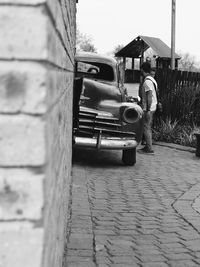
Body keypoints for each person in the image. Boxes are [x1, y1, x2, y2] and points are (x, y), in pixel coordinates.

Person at [138, 62, 157, 154]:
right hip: (153, 106)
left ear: (142, 69)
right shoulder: (152, 80)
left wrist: (148, 110)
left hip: (149, 108)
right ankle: (147, 146)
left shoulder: (147, 82)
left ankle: (149, 148)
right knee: (147, 126)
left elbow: (149, 96)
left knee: (146, 127)